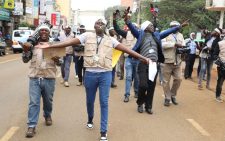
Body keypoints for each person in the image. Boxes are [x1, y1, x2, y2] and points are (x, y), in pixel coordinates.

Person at [36, 19, 149, 141]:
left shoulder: (111, 40)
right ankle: (90, 118)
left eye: (102, 23)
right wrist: (51, 45)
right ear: (94, 26)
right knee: (90, 101)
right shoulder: (86, 36)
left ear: (105, 26)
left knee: (104, 102)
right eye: (97, 22)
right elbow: (68, 42)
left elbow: (127, 50)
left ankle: (103, 131)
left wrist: (142, 58)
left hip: (105, 74)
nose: (99, 23)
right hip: (90, 74)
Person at [123, 9, 188, 113]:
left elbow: (168, 31)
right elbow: (130, 26)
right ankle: (140, 103)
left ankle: (148, 107)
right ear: (145, 28)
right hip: (143, 64)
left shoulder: (157, 35)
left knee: (151, 87)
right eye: (150, 25)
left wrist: (179, 26)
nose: (153, 27)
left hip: (154, 65)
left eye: (153, 26)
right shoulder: (140, 34)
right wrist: (127, 19)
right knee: (143, 85)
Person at [22, 24, 59, 138]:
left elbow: (60, 62)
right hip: (35, 78)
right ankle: (31, 126)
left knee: (48, 101)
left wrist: (57, 59)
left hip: (49, 78)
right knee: (34, 102)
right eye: (41, 30)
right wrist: (26, 50)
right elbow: (25, 60)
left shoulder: (54, 44)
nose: (43, 32)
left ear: (49, 33)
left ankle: (47, 115)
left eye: (46, 30)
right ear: (38, 32)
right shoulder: (32, 45)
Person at [113, 14, 139, 102]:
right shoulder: (126, 34)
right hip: (128, 59)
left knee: (136, 77)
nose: (132, 29)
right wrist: (114, 20)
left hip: (138, 60)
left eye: (134, 27)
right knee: (128, 77)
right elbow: (117, 29)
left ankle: (136, 92)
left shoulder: (140, 35)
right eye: (132, 27)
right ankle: (127, 95)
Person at [161, 21, 186, 107]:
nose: (177, 28)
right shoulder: (164, 33)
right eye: (175, 26)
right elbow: (162, 44)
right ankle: (167, 98)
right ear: (171, 27)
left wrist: (183, 47)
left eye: (178, 26)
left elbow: (183, 44)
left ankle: (172, 95)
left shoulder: (181, 35)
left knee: (179, 79)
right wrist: (174, 44)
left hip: (178, 61)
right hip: (167, 61)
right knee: (165, 81)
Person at [213, 29, 224, 102]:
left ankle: (218, 96)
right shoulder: (220, 43)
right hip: (222, 66)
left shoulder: (219, 43)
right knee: (220, 81)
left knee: (220, 81)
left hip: (221, 65)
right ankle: (218, 96)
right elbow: (215, 55)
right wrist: (220, 62)